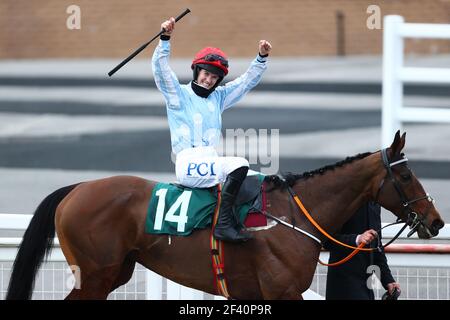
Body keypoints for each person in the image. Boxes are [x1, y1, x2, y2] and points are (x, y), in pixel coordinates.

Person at [152, 17, 272, 242]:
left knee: (260, 178)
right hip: (188, 164)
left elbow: (246, 82)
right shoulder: (178, 95)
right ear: (197, 71)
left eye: (214, 77)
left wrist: (261, 58)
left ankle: (248, 224)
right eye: (206, 74)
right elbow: (161, 71)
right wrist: (164, 40)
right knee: (240, 164)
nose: (209, 80)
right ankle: (223, 226)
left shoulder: (219, 97)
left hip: (209, 161)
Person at [324, 202, 401, 300]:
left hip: (366, 287)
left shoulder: (374, 203)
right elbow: (327, 241)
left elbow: (377, 247)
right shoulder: (345, 197)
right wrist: (357, 239)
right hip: (343, 286)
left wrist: (388, 280)